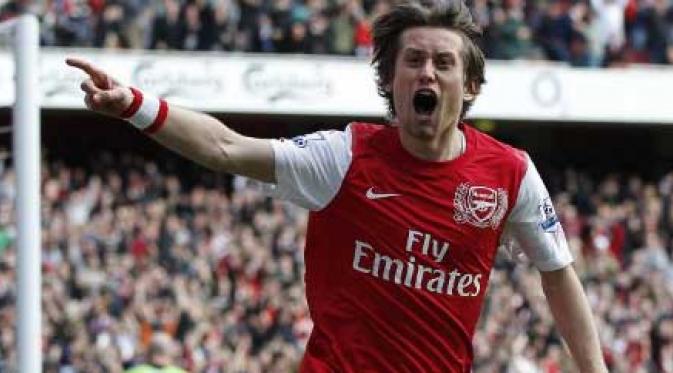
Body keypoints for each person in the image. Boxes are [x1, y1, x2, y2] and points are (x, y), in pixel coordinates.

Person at [67, 0, 608, 371]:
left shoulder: (510, 174)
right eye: (413, 61)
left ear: (468, 86)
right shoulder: (344, 158)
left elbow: (558, 272)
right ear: (390, 81)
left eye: (444, 64)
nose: (427, 74)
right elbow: (225, 147)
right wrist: (136, 106)